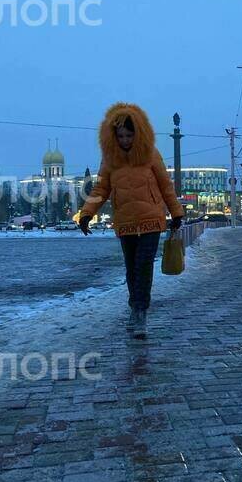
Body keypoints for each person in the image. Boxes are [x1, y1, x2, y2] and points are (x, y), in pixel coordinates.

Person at [79, 103, 184, 339]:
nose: (125, 140)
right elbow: (101, 188)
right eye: (121, 136)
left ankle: (140, 312)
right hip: (125, 221)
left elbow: (166, 186)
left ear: (138, 133)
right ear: (113, 136)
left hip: (151, 220)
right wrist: (86, 213)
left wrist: (176, 213)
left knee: (143, 266)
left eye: (129, 135)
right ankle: (134, 306)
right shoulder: (109, 159)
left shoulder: (150, 154)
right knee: (131, 269)